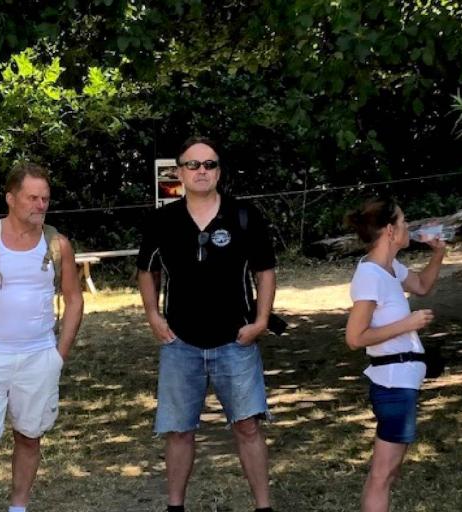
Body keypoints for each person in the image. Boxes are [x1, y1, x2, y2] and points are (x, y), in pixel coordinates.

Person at [136, 136, 277, 512]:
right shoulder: (162, 220)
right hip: (180, 343)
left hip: (236, 341)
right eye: (193, 165)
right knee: (178, 430)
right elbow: (147, 270)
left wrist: (261, 321)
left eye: (209, 164)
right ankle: (175, 507)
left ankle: (263, 507)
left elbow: (265, 271)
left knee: (247, 426)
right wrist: (152, 314)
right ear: (179, 172)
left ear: (219, 171)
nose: (202, 171)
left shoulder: (243, 215)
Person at [0, 163, 84, 512]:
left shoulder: (58, 245)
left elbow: (74, 299)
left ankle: (18, 507)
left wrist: (59, 354)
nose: (40, 205)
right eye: (32, 198)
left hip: (39, 355)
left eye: (45, 199)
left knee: (29, 436)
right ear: (10, 198)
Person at [344, 197, 446, 512]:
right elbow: (355, 337)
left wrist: (438, 253)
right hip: (392, 383)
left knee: (388, 473)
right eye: (403, 221)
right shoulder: (370, 275)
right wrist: (407, 324)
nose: (407, 227)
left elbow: (422, 285)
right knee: (382, 474)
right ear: (390, 230)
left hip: (402, 382)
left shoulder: (390, 268)